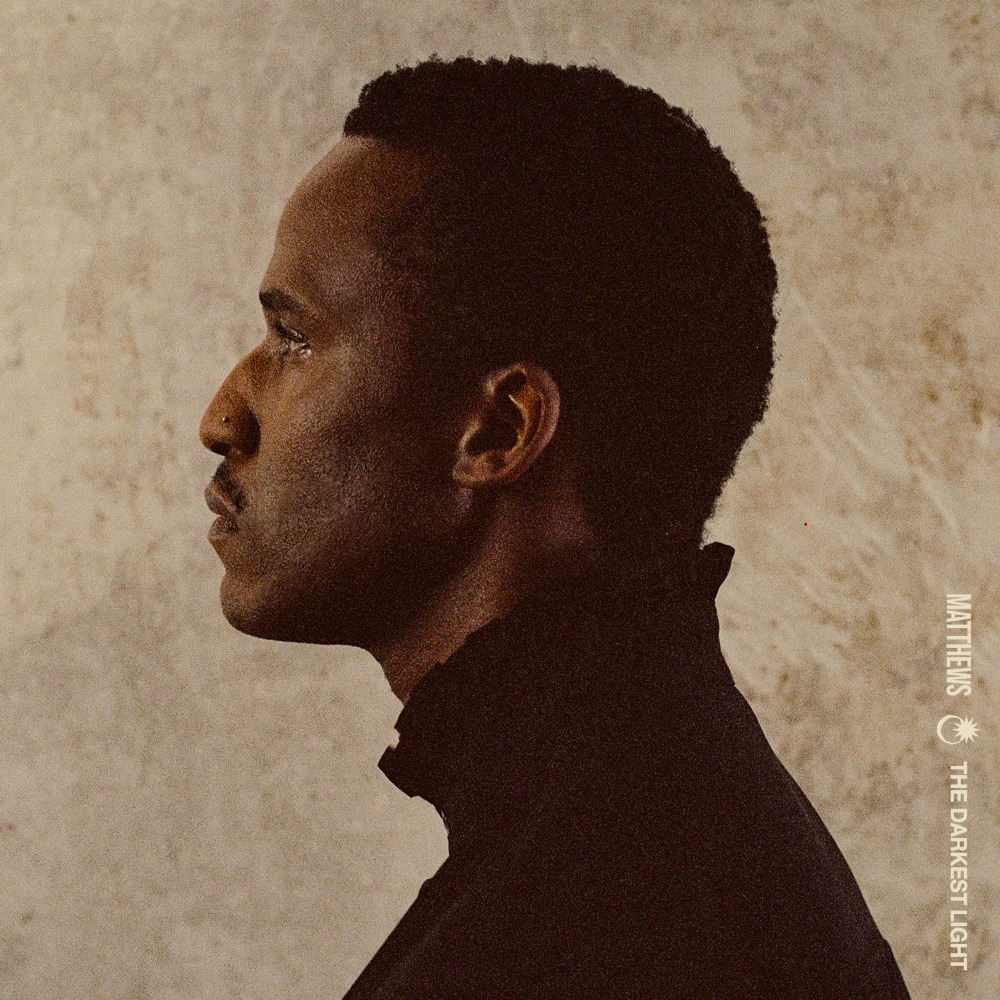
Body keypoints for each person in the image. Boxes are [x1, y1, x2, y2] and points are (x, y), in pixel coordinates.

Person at [199, 56, 910, 998]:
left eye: (294, 339)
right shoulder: (667, 825)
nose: (222, 418)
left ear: (497, 431)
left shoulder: (583, 921)